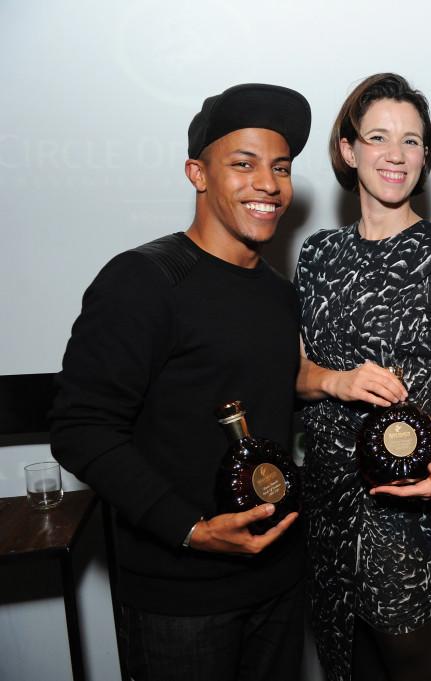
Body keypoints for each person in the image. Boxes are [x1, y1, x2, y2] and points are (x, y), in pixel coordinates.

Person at [50, 84, 311, 681]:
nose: (267, 184)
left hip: (278, 580)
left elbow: (262, 391)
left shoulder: (277, 293)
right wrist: (190, 530)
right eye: (242, 164)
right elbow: (79, 426)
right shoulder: (142, 280)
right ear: (197, 173)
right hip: (180, 595)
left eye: (280, 167)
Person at [294, 73, 431, 681]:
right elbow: (298, 374)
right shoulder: (318, 255)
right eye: (379, 138)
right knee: (343, 659)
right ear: (349, 151)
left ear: (425, 156)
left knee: (414, 661)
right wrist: (338, 382)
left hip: (401, 502)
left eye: (412, 141)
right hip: (322, 495)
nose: (397, 155)